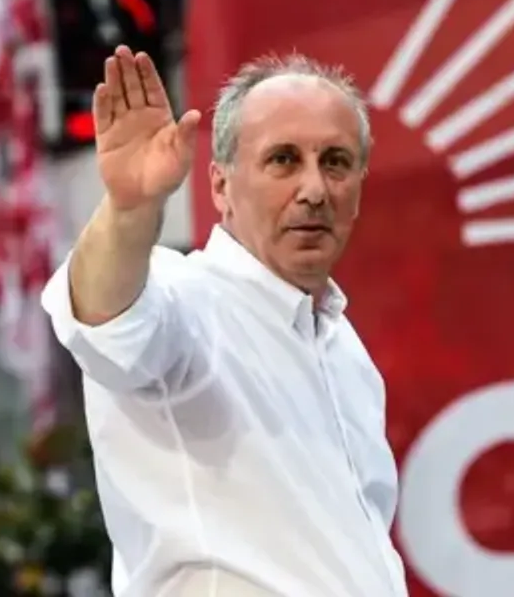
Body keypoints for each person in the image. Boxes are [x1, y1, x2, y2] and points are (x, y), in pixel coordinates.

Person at [41, 45, 406, 597]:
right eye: (283, 160)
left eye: (335, 161)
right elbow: (102, 318)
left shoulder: (345, 349)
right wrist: (130, 209)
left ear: (358, 186)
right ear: (219, 186)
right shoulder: (184, 299)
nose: (314, 190)